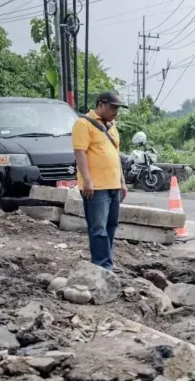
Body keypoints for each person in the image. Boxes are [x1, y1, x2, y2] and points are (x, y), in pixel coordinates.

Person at [71, 91, 129, 271]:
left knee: (111, 225)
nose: (115, 112)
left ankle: (106, 262)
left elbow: (115, 155)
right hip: (96, 187)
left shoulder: (112, 126)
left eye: (118, 108)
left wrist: (122, 181)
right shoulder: (83, 124)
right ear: (101, 104)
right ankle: (102, 266)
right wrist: (87, 181)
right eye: (113, 107)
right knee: (98, 228)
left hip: (113, 184)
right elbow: (80, 153)